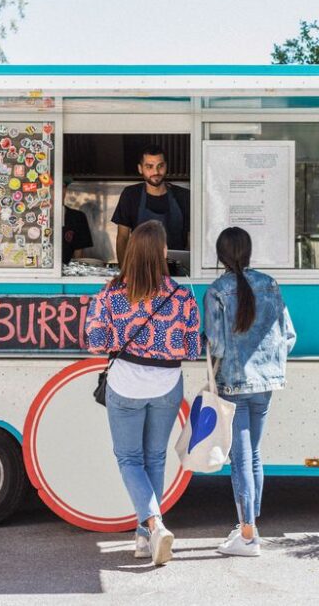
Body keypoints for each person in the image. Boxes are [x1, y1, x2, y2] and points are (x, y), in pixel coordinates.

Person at [84, 220, 201, 566]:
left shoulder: (111, 293)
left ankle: (153, 525)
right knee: (155, 458)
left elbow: (95, 342)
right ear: (163, 252)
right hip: (167, 385)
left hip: (126, 385)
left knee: (129, 459)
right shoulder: (182, 296)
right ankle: (144, 536)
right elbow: (192, 348)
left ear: (131, 252)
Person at [203, 227, 296, 557]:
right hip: (266, 384)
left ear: (220, 256)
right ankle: (249, 527)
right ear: (249, 251)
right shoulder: (270, 284)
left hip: (233, 383)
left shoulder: (217, 291)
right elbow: (288, 336)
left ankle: (246, 536)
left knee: (240, 459)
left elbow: (217, 345)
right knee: (253, 455)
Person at [111, 145, 191, 264]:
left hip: (177, 267)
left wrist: (190, 269)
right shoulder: (131, 195)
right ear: (140, 169)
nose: (156, 172)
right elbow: (122, 237)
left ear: (166, 166)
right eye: (149, 166)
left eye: (160, 166)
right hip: (140, 267)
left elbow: (192, 238)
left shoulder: (183, 196)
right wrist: (124, 270)